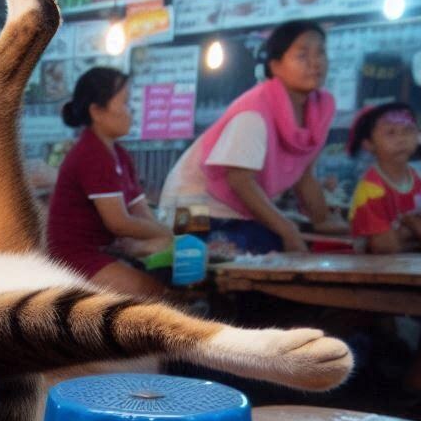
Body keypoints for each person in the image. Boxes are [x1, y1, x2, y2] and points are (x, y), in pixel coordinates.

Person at [159, 20, 347, 254]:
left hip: (235, 212)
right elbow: (240, 180)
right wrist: (287, 230)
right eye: (302, 55)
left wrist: (324, 222)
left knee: (307, 243)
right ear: (276, 66)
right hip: (188, 207)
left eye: (320, 52)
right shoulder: (254, 111)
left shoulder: (319, 111)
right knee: (261, 250)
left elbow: (305, 176)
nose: (315, 62)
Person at [46, 67, 172, 297]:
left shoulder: (120, 156)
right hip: (74, 259)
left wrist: (163, 237)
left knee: (168, 290)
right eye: (124, 103)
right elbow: (119, 223)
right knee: (154, 295)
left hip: (105, 254)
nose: (130, 111)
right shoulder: (91, 153)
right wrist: (167, 235)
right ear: (97, 111)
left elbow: (142, 215)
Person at [347, 102, 421, 253]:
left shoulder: (417, 177)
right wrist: (414, 224)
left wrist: (407, 230)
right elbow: (386, 247)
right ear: (369, 145)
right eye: (391, 133)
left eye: (408, 130)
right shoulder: (371, 189)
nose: (401, 139)